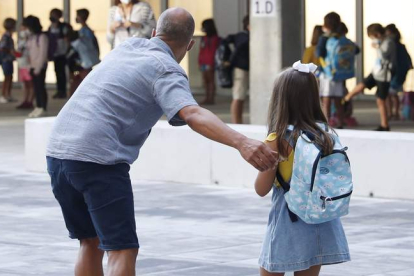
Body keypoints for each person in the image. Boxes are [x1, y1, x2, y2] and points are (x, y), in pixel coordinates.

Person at [46, 8, 278, 276]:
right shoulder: (167, 70)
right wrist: (242, 142)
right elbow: (191, 113)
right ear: (190, 45)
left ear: (155, 33)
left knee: (89, 240)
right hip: (97, 158)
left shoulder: (129, 46)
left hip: (57, 151)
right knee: (122, 249)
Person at [255, 62, 350, 276]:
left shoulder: (277, 140)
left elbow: (261, 188)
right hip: (321, 217)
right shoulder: (326, 135)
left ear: (280, 100)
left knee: (270, 270)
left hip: (289, 217)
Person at [344, 23, 396, 131]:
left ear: (377, 34)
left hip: (384, 75)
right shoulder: (382, 42)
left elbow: (384, 54)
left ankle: (384, 125)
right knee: (362, 84)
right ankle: (347, 98)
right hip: (376, 72)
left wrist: (378, 46)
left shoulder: (388, 42)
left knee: (381, 100)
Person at [317, 12, 346, 129]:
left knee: (326, 98)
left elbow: (319, 53)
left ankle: (326, 123)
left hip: (327, 72)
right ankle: (341, 122)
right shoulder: (340, 37)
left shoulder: (324, 37)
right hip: (339, 72)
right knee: (338, 99)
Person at [223, 15, 250, 124]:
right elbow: (237, 49)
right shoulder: (245, 37)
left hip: (242, 69)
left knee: (240, 96)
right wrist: (229, 60)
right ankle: (236, 122)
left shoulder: (240, 36)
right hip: (241, 69)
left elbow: (227, 40)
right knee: (238, 96)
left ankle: (238, 121)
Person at [385, 24, 412, 120]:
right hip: (391, 72)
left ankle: (394, 113)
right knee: (390, 94)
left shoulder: (397, 46)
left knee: (392, 93)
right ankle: (391, 113)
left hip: (397, 73)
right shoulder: (390, 45)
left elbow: (406, 60)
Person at [25, 15, 49, 118]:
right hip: (32, 66)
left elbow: (43, 54)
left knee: (40, 87)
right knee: (36, 87)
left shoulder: (42, 37)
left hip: (40, 67)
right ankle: (38, 105)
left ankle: (42, 106)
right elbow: (30, 52)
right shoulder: (32, 37)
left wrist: (38, 67)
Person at [48, 8, 72, 99]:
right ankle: (59, 90)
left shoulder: (64, 27)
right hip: (56, 53)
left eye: (54, 15)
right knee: (58, 72)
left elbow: (68, 39)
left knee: (63, 73)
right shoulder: (51, 27)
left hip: (63, 53)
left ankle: (64, 91)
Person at [198, 18, 219, 105]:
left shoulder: (215, 39)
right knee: (206, 81)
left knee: (211, 81)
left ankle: (211, 98)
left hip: (210, 62)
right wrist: (199, 62)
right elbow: (201, 51)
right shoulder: (204, 38)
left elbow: (214, 52)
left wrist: (211, 63)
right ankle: (207, 97)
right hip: (203, 62)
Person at [16, 24, 34, 109]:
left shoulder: (30, 40)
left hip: (28, 65)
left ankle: (30, 101)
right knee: (25, 84)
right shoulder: (21, 41)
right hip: (22, 64)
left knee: (30, 84)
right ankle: (25, 100)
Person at [0, 18, 16, 104]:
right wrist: (10, 51)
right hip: (6, 59)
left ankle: (8, 94)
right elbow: (2, 47)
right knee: (7, 77)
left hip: (9, 59)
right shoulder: (5, 36)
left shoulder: (9, 36)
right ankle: (3, 95)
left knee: (10, 77)